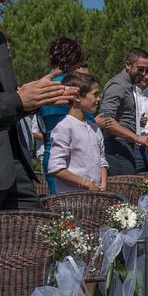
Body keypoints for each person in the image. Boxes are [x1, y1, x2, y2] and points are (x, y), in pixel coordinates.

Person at [0, 0, 76, 296]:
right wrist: (19, 101)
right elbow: (9, 103)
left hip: (14, 170)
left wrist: (27, 97)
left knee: (40, 256)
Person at [37, 38, 93, 192]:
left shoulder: (41, 84)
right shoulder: (73, 85)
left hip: (50, 151)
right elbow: (86, 117)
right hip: (74, 156)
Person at [48, 73, 108, 193]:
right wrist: (85, 183)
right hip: (71, 198)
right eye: (95, 94)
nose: (98, 99)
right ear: (77, 97)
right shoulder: (64, 128)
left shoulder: (94, 128)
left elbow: (102, 160)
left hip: (95, 197)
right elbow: (56, 168)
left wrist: (103, 182)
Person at [100, 48, 148, 175]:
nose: (144, 74)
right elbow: (107, 120)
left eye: (147, 70)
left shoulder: (129, 86)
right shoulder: (118, 86)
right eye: (140, 69)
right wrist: (137, 137)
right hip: (115, 147)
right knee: (123, 192)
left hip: (124, 145)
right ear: (128, 65)